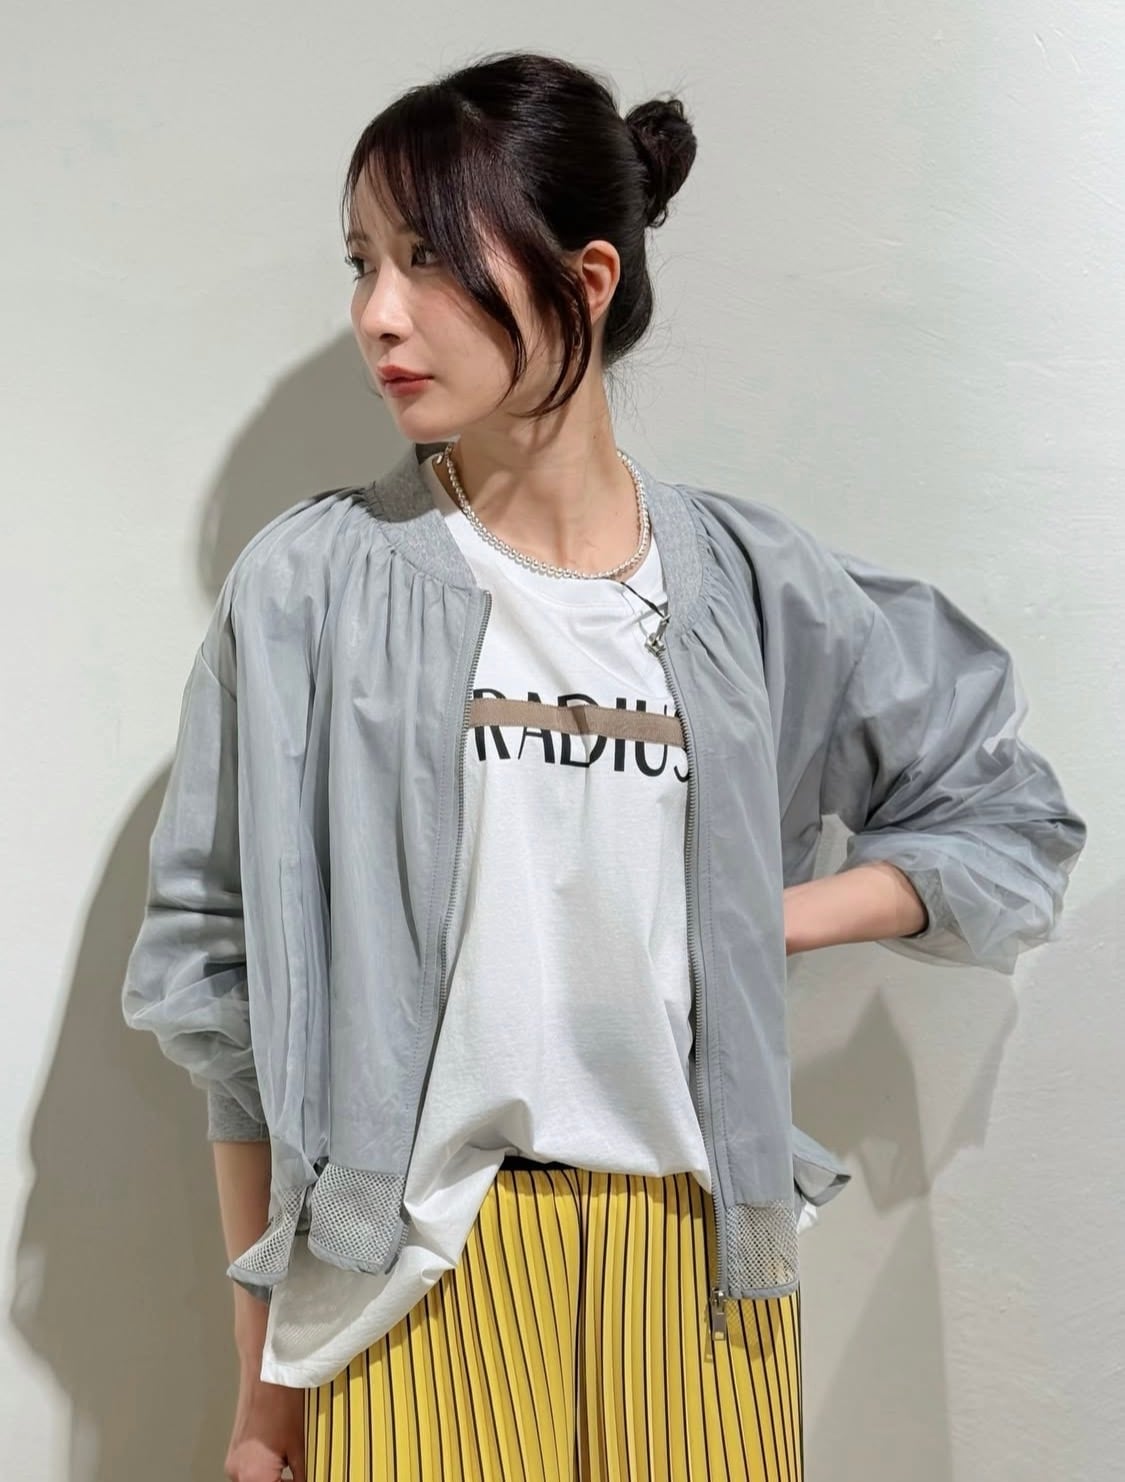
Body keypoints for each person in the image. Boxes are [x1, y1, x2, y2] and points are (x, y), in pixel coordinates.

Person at [120, 49, 1087, 1482]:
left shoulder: (750, 588)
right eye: (363, 262)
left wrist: (774, 916)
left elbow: (1007, 815)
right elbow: (225, 985)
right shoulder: (315, 586)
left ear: (583, 279)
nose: (378, 313)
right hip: (409, 1279)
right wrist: (268, 1389)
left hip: (703, 1278)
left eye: (428, 258)